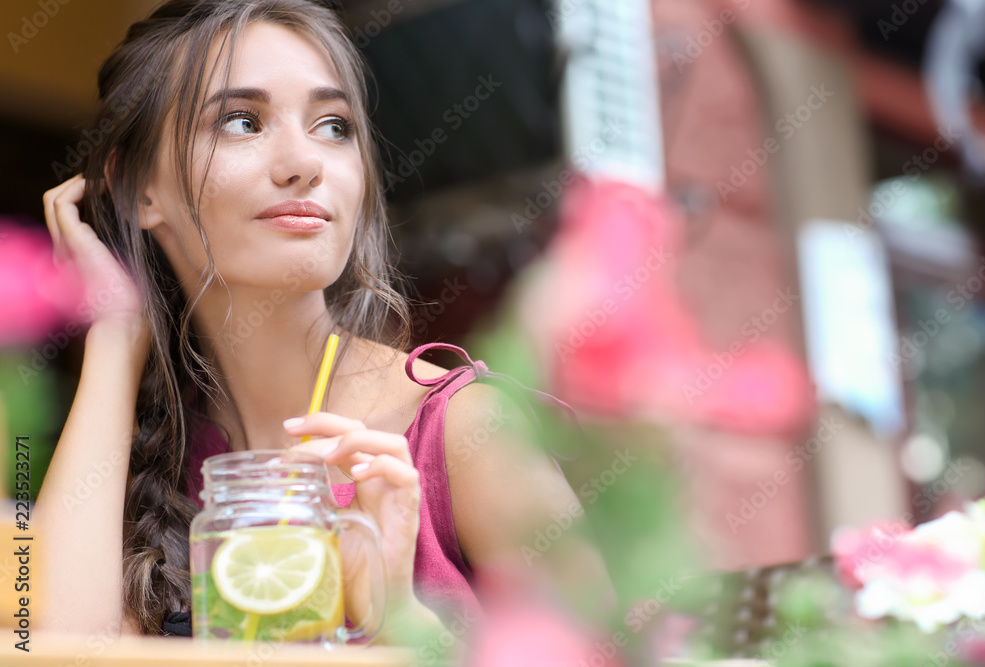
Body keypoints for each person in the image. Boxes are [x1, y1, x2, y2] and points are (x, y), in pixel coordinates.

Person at [35, 0, 610, 641]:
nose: (305, 162)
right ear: (139, 189)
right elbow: (57, 648)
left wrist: (403, 620)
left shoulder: (463, 431)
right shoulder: (143, 458)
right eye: (242, 121)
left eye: (334, 126)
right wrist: (115, 333)